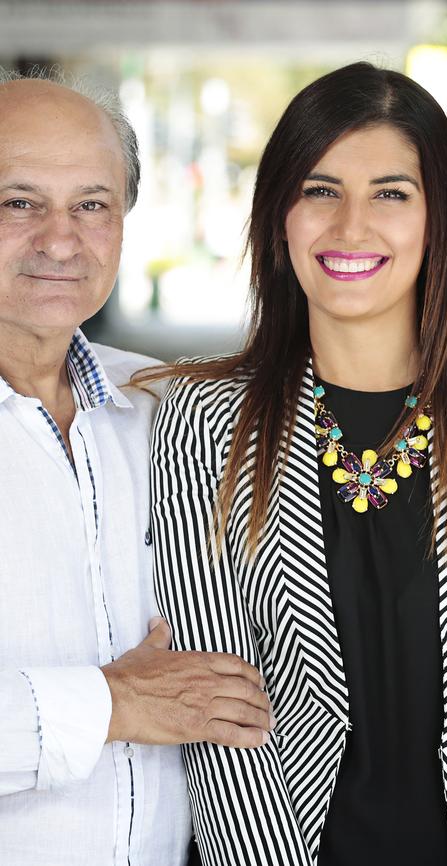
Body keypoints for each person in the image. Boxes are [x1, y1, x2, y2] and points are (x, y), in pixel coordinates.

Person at [149, 62, 447, 866]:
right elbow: (219, 720)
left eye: (391, 193)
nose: (351, 226)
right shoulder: (202, 424)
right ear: (279, 217)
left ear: (438, 220)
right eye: (320, 190)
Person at [0, 72, 273, 865]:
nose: (60, 239)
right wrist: (108, 704)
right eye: (19, 202)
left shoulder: (165, 411)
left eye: (92, 204)